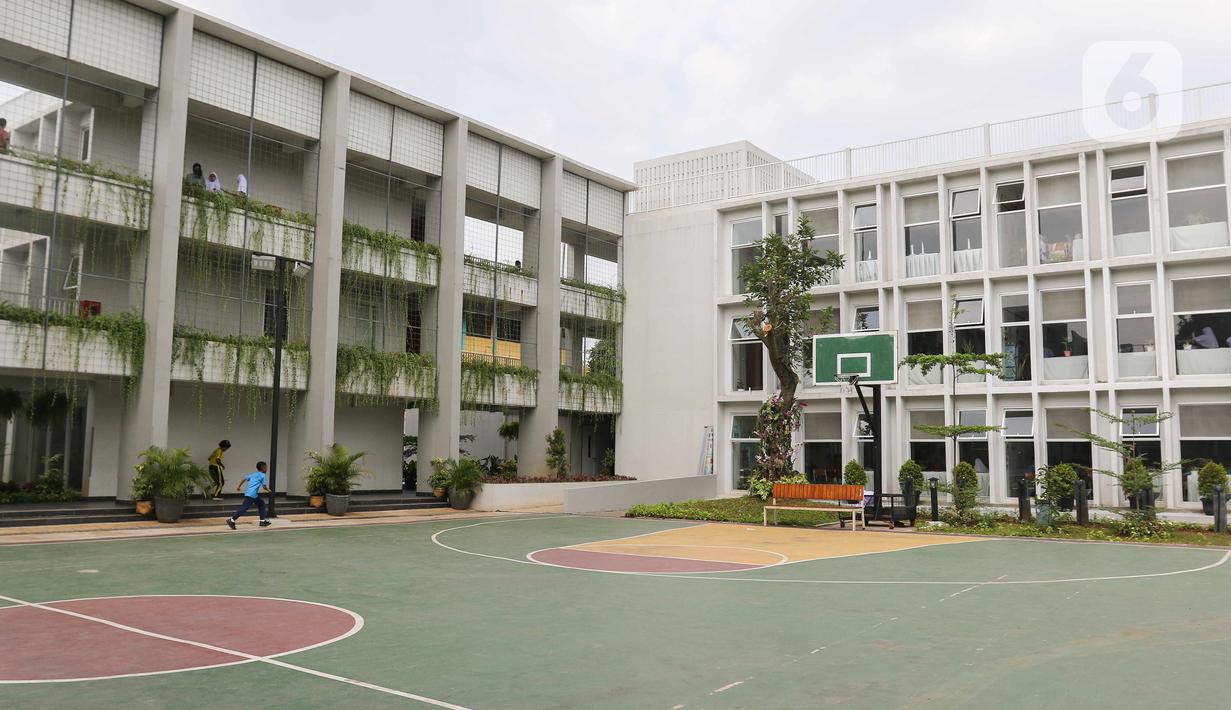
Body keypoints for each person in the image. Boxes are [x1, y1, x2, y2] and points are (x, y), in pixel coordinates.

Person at [226, 461, 271, 529]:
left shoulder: (253, 474)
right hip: (251, 494)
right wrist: (269, 490)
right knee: (244, 508)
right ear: (263, 468)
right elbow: (264, 487)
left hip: (252, 494)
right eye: (266, 467)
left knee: (261, 503)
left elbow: (244, 478)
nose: (267, 469)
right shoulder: (262, 475)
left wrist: (239, 486)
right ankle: (231, 520)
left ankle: (262, 521)